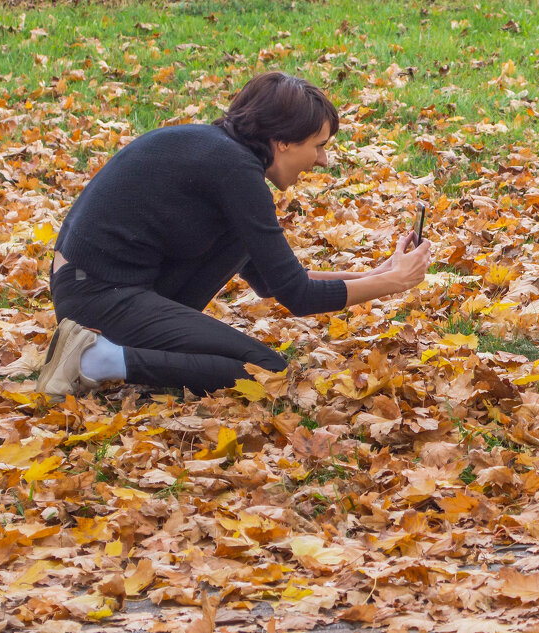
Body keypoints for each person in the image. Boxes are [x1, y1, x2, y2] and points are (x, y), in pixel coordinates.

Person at [36, 72, 432, 401]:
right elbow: (299, 297)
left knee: (254, 353)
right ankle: (96, 358)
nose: (324, 159)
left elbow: (273, 282)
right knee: (267, 368)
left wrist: (376, 275)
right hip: (99, 297)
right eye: (318, 146)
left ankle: (103, 349)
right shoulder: (233, 170)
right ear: (283, 141)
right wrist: (393, 283)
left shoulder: (224, 158)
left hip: (104, 291)